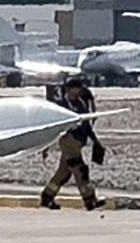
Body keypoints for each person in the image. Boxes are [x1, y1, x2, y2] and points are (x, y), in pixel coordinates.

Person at [41, 78, 103, 210]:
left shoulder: (80, 103)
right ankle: (90, 200)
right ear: (69, 89)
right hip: (68, 140)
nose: (78, 91)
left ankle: (47, 197)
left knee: (63, 173)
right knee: (80, 170)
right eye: (76, 88)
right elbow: (53, 127)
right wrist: (45, 145)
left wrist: (95, 140)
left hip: (79, 141)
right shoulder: (62, 105)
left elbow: (86, 124)